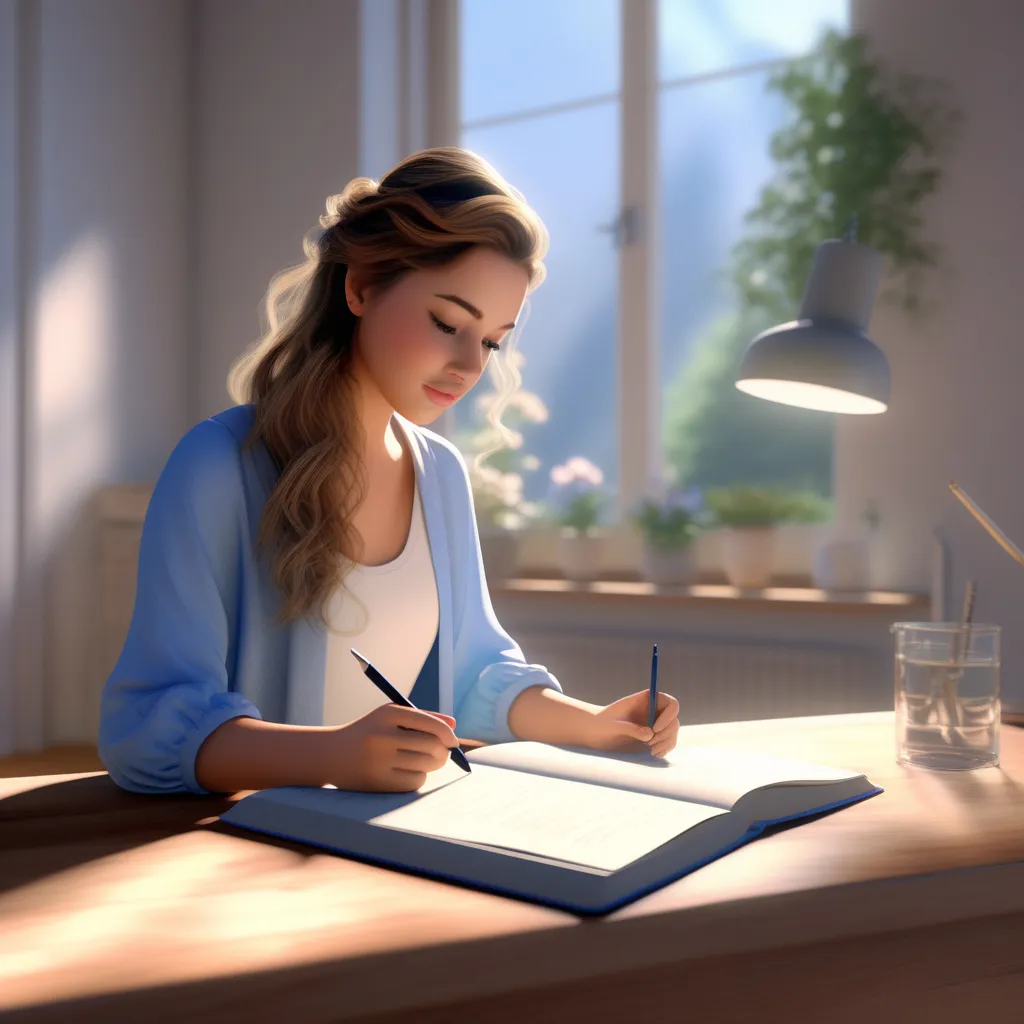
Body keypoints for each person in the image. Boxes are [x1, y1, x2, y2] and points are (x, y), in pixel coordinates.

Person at [98, 147, 679, 796]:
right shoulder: (218, 467)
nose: (469, 365)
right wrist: (333, 757)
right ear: (360, 287)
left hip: (388, 843)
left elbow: (475, 675)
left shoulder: (441, 476)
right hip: (242, 854)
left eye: (491, 340)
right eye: (447, 322)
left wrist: (595, 724)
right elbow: (146, 728)